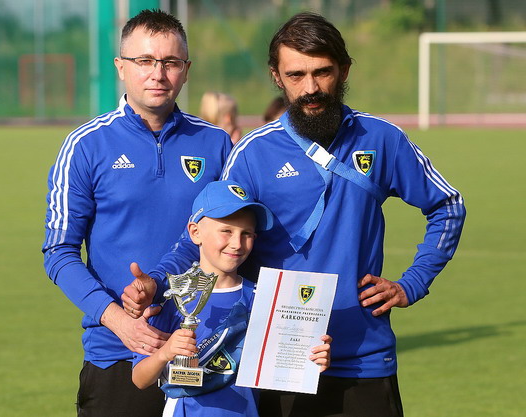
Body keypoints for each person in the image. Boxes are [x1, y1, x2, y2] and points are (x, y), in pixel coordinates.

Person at [123, 11, 466, 417]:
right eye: (296, 75)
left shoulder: (382, 138)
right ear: (277, 77)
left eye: (322, 72)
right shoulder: (253, 153)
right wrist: (158, 280)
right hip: (275, 361)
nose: (311, 87)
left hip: (364, 358)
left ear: (344, 70)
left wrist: (412, 283)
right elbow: (205, 233)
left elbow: (448, 205)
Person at [41, 9, 232, 417]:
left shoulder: (217, 144)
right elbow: (58, 252)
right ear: (121, 67)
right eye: (145, 61)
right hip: (118, 354)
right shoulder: (85, 145)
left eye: (170, 62)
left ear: (186, 70)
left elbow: (231, 240)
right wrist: (119, 321)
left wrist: (160, 281)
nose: (157, 74)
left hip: (205, 349)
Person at [130, 180, 332, 416]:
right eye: (226, 231)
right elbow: (139, 379)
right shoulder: (174, 297)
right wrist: (165, 353)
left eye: (246, 234)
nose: (237, 244)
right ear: (195, 232)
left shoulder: (265, 298)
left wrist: (312, 358)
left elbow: (284, 368)